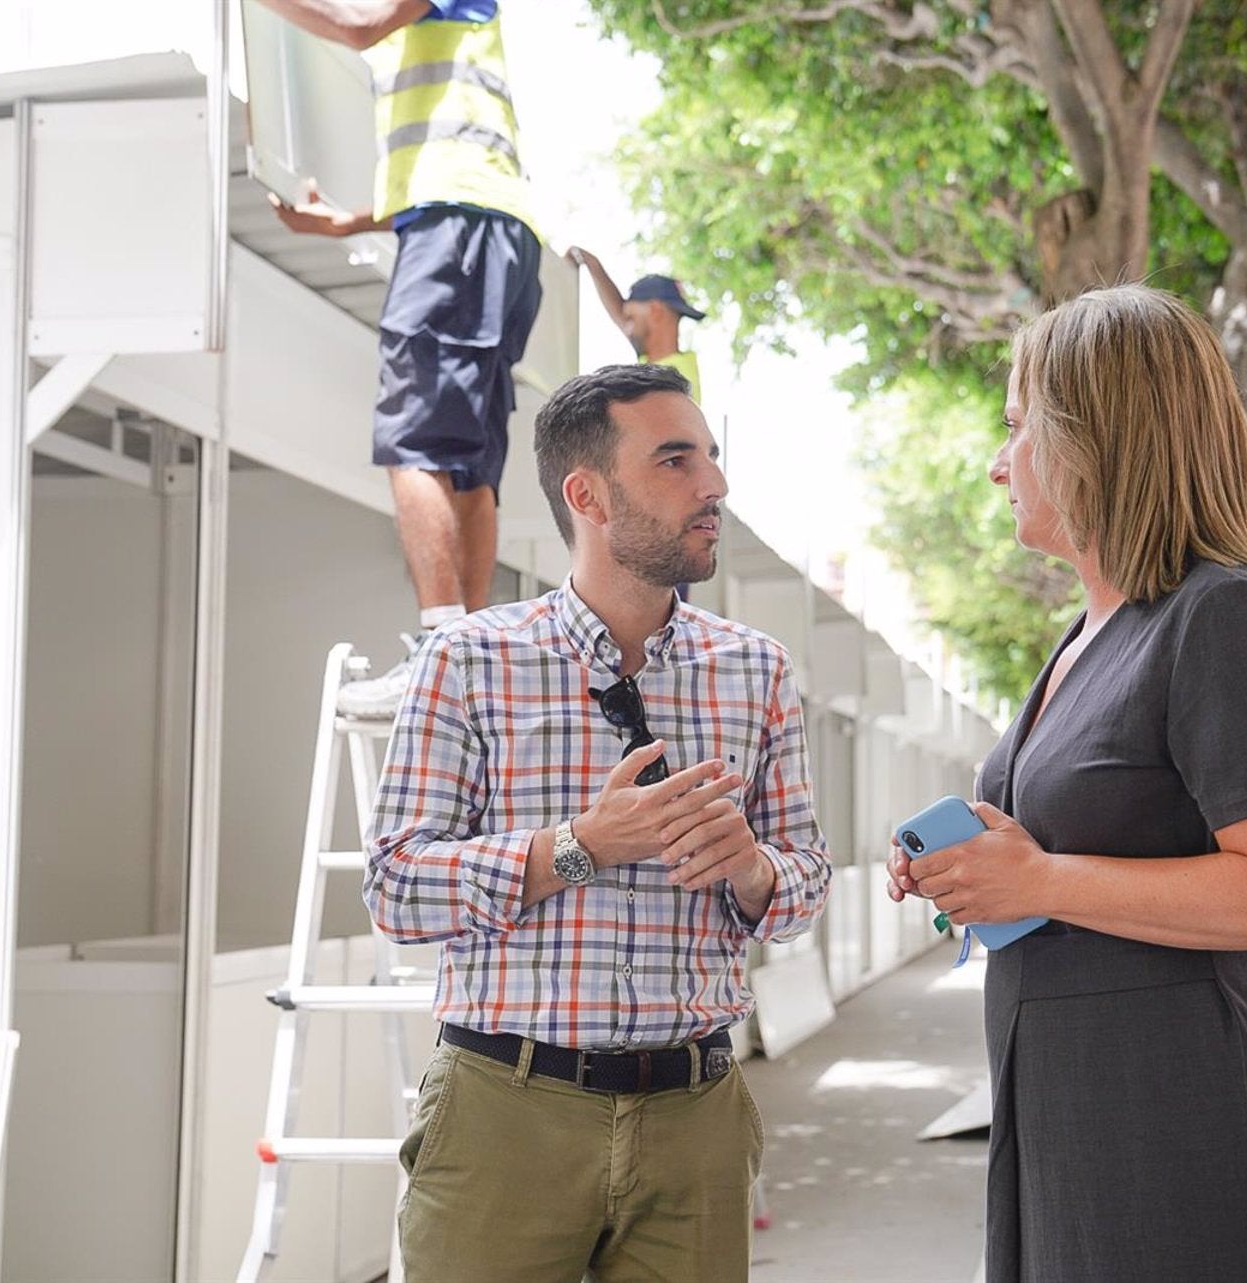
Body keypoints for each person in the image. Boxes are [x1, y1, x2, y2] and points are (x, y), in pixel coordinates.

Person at [886, 284, 1247, 1280]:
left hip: (1181, 1108)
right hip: (1067, 1097)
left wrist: (1041, 880)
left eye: (1019, 428)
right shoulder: (1093, 629)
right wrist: (974, 856)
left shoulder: (1222, 617)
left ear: (1100, 437)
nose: (1000, 463)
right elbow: (1086, 834)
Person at [365, 362, 831, 1282]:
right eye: (675, 460)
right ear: (589, 494)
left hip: (695, 1120)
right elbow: (395, 887)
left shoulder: (757, 670)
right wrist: (577, 847)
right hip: (504, 1111)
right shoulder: (470, 660)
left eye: (712, 457)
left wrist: (753, 869)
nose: (715, 486)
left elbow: (805, 877)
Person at [256, 0, 542, 716]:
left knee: (413, 441)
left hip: (456, 232)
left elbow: (357, 24)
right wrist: (352, 222)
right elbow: (445, 158)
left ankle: (438, 657)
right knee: (466, 460)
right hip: (493, 235)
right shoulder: (432, 40)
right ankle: (464, 658)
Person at [565, 246, 706, 403]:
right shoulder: (658, 367)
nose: (627, 327)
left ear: (655, 311)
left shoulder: (672, 382)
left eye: (631, 319)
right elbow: (619, 312)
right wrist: (592, 263)